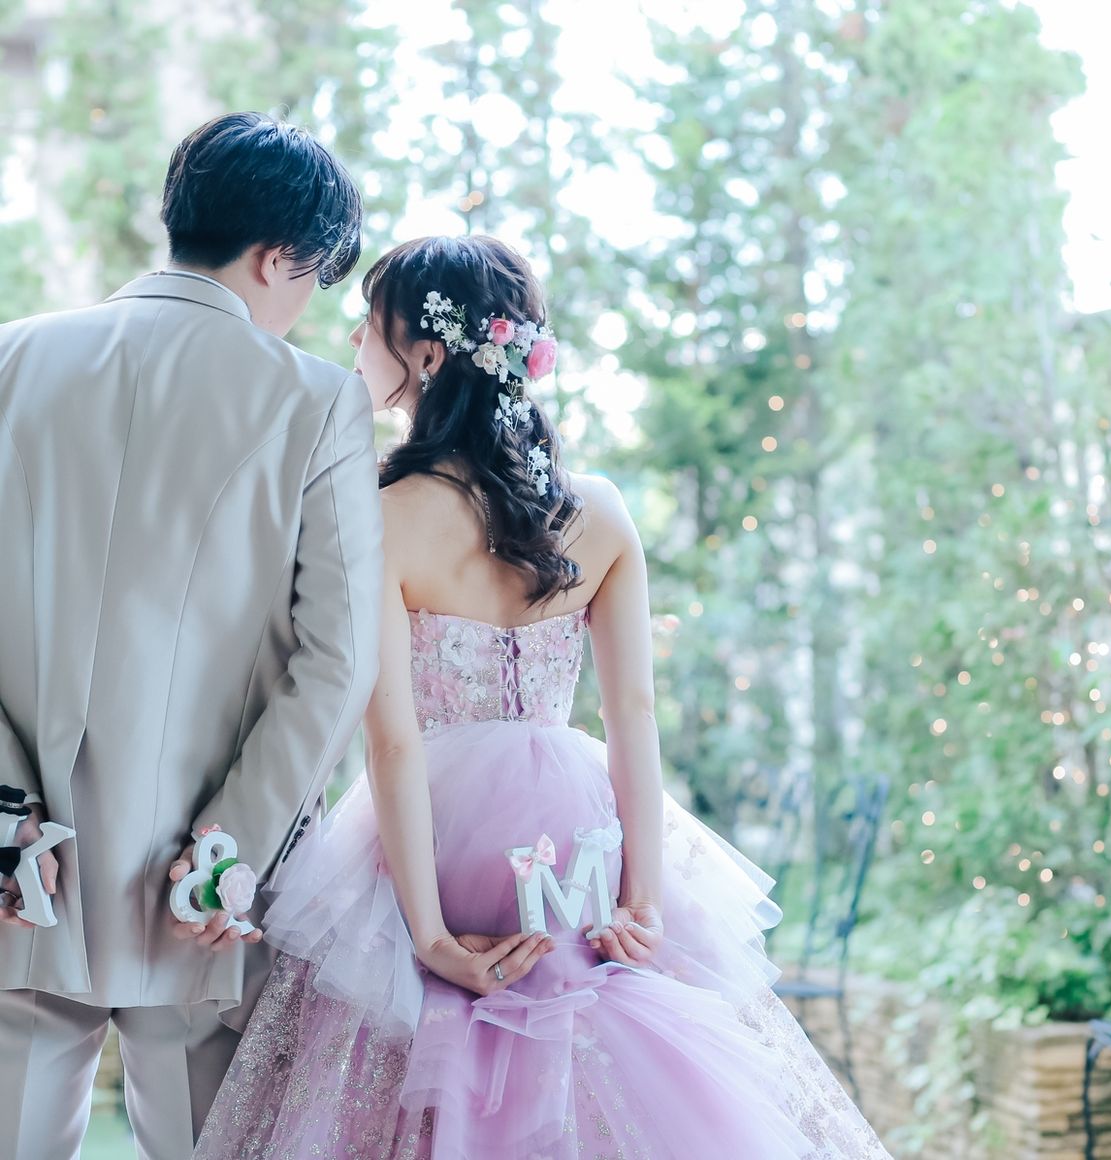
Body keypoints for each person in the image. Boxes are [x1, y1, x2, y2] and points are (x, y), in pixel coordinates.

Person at [194, 234, 892, 1158]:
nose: (355, 342)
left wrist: (431, 936)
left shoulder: (374, 511)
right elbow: (632, 715)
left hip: (436, 835)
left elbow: (392, 743)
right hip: (579, 836)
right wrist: (644, 897)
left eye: (369, 324)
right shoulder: (600, 510)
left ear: (428, 355)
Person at [0, 112, 383, 1160]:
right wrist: (226, 851)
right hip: (198, 898)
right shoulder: (317, 401)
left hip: (22, 880)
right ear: (278, 257)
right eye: (314, 279)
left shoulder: (10, 359)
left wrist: (5, 811)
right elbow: (340, 659)